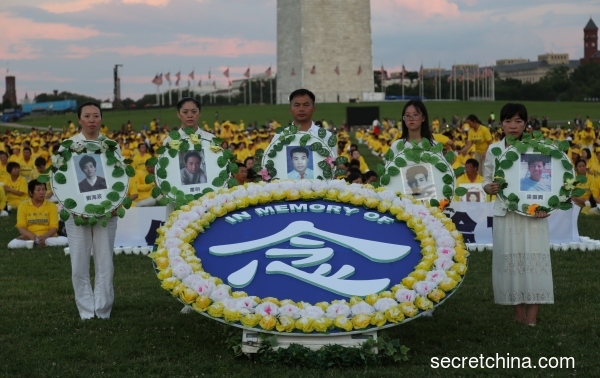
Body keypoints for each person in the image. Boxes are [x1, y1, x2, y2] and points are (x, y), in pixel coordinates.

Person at [483, 103, 553, 326]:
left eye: (518, 121)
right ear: (500, 123)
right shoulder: (494, 150)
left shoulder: (536, 148)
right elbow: (486, 180)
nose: (513, 126)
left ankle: (532, 317)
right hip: (506, 214)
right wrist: (488, 188)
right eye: (508, 121)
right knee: (510, 261)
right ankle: (518, 314)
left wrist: (545, 207)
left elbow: (547, 182)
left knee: (534, 261)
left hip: (533, 215)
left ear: (526, 123)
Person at [65, 101, 119, 320]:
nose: (91, 120)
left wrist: (114, 205)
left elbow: (120, 179)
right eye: (87, 116)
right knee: (79, 261)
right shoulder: (67, 146)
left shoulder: (111, 145)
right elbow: (62, 182)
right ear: (79, 119)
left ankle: (103, 308)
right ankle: (86, 310)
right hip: (75, 213)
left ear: (101, 118)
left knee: (105, 260)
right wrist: (72, 207)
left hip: (106, 212)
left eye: (96, 116)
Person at [269, 89, 336, 158]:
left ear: (313, 109)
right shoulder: (280, 136)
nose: (301, 109)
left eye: (306, 105)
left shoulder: (326, 136)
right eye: (297, 105)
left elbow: (334, 162)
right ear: (290, 110)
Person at [8, 180, 68, 248]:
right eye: (38, 190)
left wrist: (45, 236)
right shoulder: (23, 206)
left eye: (43, 189)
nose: (42, 192)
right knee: (12, 245)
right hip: (29, 237)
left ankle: (36, 243)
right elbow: (21, 227)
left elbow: (54, 227)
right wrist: (31, 236)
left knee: (65, 241)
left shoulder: (52, 206)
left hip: (48, 237)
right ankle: (34, 242)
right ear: (31, 193)